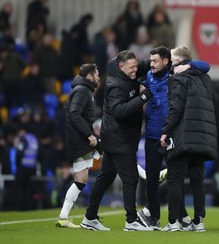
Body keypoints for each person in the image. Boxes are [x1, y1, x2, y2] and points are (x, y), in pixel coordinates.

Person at [138, 46, 210, 230]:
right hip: (154, 134)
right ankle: (154, 217)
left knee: (175, 178)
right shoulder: (147, 76)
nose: (152, 64)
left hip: (173, 134)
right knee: (153, 179)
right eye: (151, 61)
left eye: (156, 61)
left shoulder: (175, 75)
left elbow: (205, 65)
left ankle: (179, 217)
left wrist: (188, 65)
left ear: (167, 61)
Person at [81, 50, 153, 232]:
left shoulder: (127, 71)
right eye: (131, 68)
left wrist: (163, 54)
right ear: (121, 67)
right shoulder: (115, 86)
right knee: (130, 179)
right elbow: (119, 111)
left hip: (116, 137)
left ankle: (90, 217)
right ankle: (131, 221)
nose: (135, 71)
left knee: (105, 178)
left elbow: (145, 63)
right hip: (118, 139)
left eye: (136, 66)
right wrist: (144, 96)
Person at [160, 46, 217, 232]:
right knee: (197, 181)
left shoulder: (177, 79)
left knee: (175, 180)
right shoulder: (205, 79)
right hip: (202, 136)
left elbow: (175, 108)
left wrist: (166, 131)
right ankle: (199, 221)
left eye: (172, 59)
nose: (170, 62)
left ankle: (174, 222)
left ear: (179, 61)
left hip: (183, 136)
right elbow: (214, 99)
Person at [56, 63, 101, 228]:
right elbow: (74, 114)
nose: (98, 77)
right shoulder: (82, 90)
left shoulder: (83, 90)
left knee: (82, 179)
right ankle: (64, 217)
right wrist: (89, 134)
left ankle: (63, 216)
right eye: (97, 74)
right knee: (116, 153)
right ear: (90, 75)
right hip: (81, 140)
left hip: (81, 139)